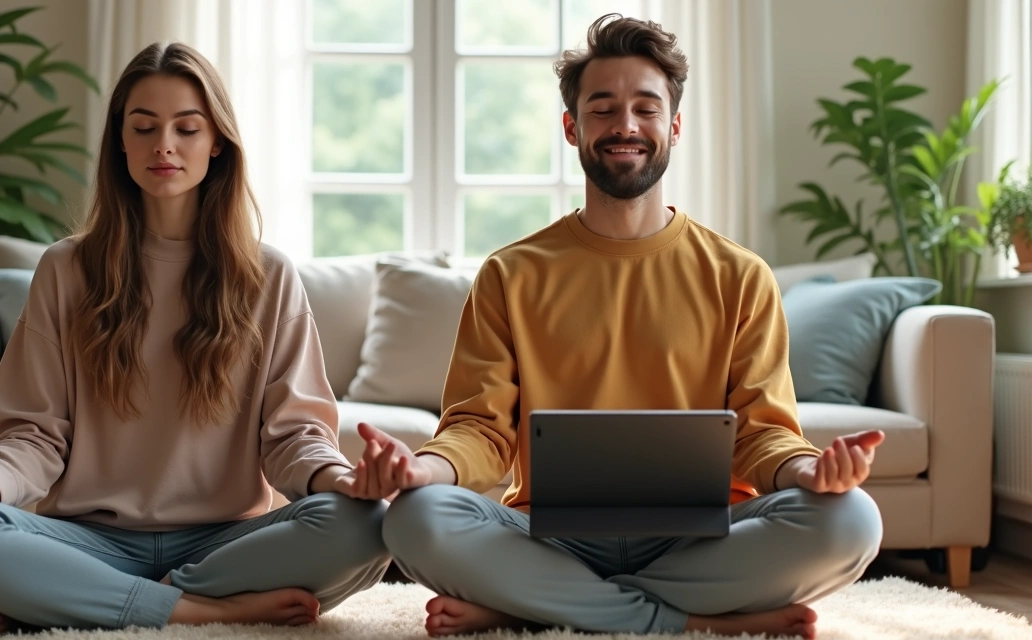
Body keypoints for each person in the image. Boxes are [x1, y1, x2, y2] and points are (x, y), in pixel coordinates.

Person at [346, 14, 885, 640]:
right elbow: (480, 431)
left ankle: (535, 608)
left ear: (674, 127)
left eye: (645, 109)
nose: (625, 125)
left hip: (704, 538)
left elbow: (762, 434)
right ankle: (689, 619)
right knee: (415, 517)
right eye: (602, 109)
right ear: (572, 127)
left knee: (852, 520)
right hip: (550, 538)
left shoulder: (740, 275)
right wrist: (423, 469)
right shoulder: (511, 273)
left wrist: (809, 473)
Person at [0, 41, 390, 637]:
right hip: (88, 541)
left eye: (187, 128)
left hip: (225, 543)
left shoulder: (269, 276)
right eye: (144, 127)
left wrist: (345, 481)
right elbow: (34, 433)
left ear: (217, 142)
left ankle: (73, 601)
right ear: (120, 140)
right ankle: (204, 610)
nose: (164, 144)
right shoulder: (65, 269)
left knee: (368, 524)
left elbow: (295, 435)